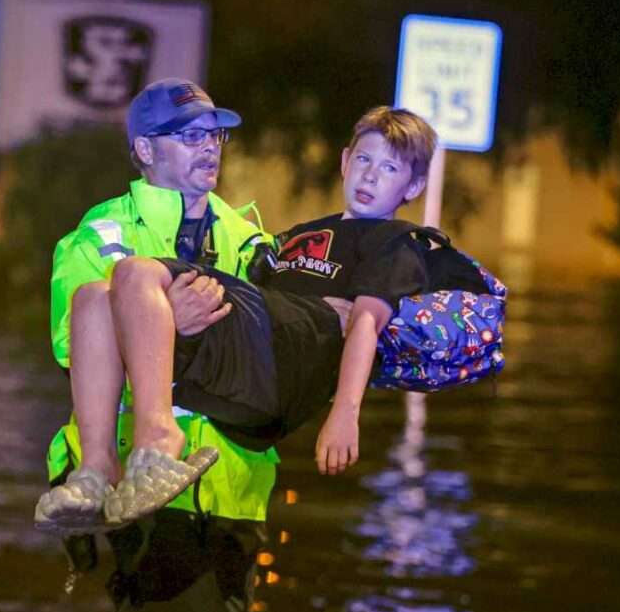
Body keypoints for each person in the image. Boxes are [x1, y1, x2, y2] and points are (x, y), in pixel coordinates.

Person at [38, 106, 438, 533]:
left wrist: (344, 413)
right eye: (364, 160)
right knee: (94, 296)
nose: (371, 176)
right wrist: (172, 317)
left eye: (390, 167)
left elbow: (363, 327)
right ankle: (98, 472)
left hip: (265, 376)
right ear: (344, 162)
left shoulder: (393, 246)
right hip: (237, 359)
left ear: (413, 185)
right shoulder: (296, 236)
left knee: (134, 273)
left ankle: (157, 438)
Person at [43, 78, 279, 612]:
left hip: (234, 485)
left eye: (215, 134)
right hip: (140, 487)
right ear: (145, 150)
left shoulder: (249, 240)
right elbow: (74, 342)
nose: (210, 148)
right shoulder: (102, 234)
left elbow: (274, 347)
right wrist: (169, 320)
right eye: (190, 136)